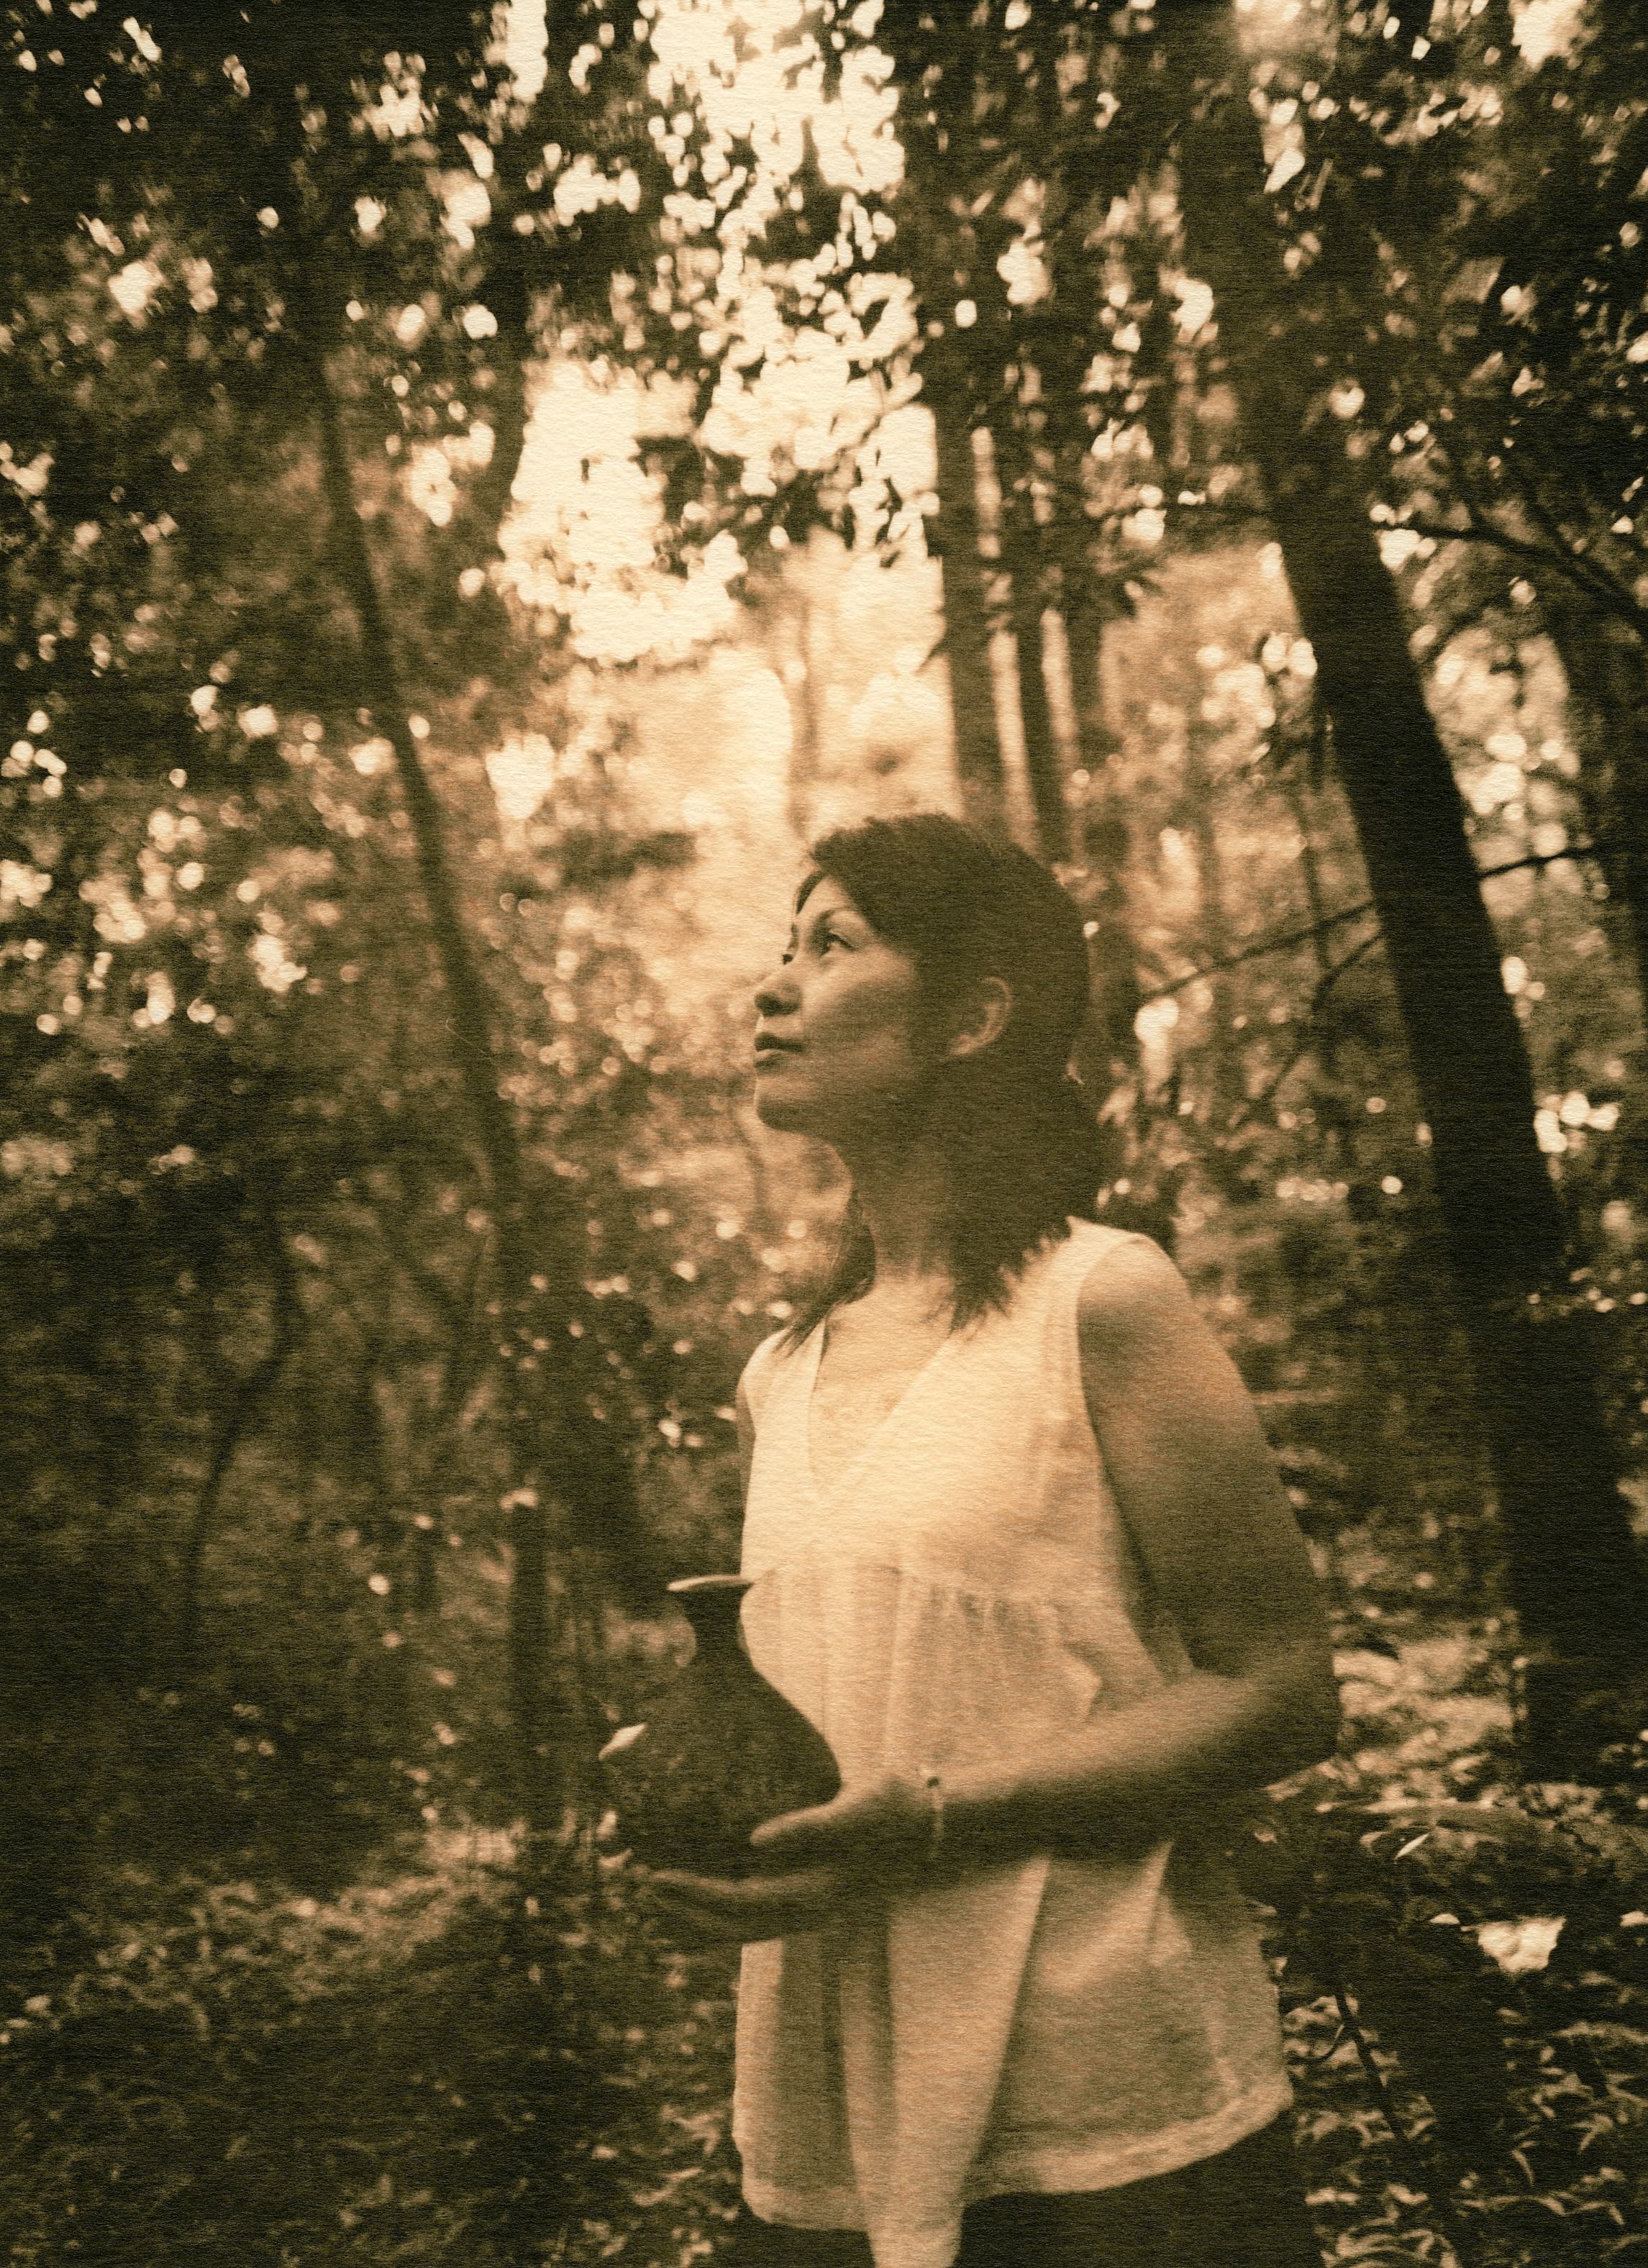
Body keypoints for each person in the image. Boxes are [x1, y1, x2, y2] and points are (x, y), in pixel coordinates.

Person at [646, 814, 1337, 2268]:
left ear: (972, 1017)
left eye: (833, 943)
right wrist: (709, 1820)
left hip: (1113, 2118)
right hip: (833, 2124)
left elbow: (1282, 1686)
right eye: (785, 945)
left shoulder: (1103, 1300)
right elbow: (845, 1710)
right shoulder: (780, 1372)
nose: (774, 984)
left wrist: (937, 1818)